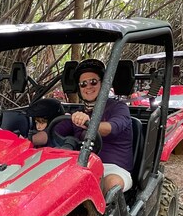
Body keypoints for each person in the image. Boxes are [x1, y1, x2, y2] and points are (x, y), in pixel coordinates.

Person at [55, 58, 133, 195]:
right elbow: (54, 132)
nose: (88, 87)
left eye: (93, 82)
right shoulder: (78, 113)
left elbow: (111, 128)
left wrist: (88, 124)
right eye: (83, 84)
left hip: (112, 168)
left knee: (112, 184)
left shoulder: (118, 108)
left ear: (103, 84)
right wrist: (27, 139)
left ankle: (111, 214)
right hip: (81, 166)